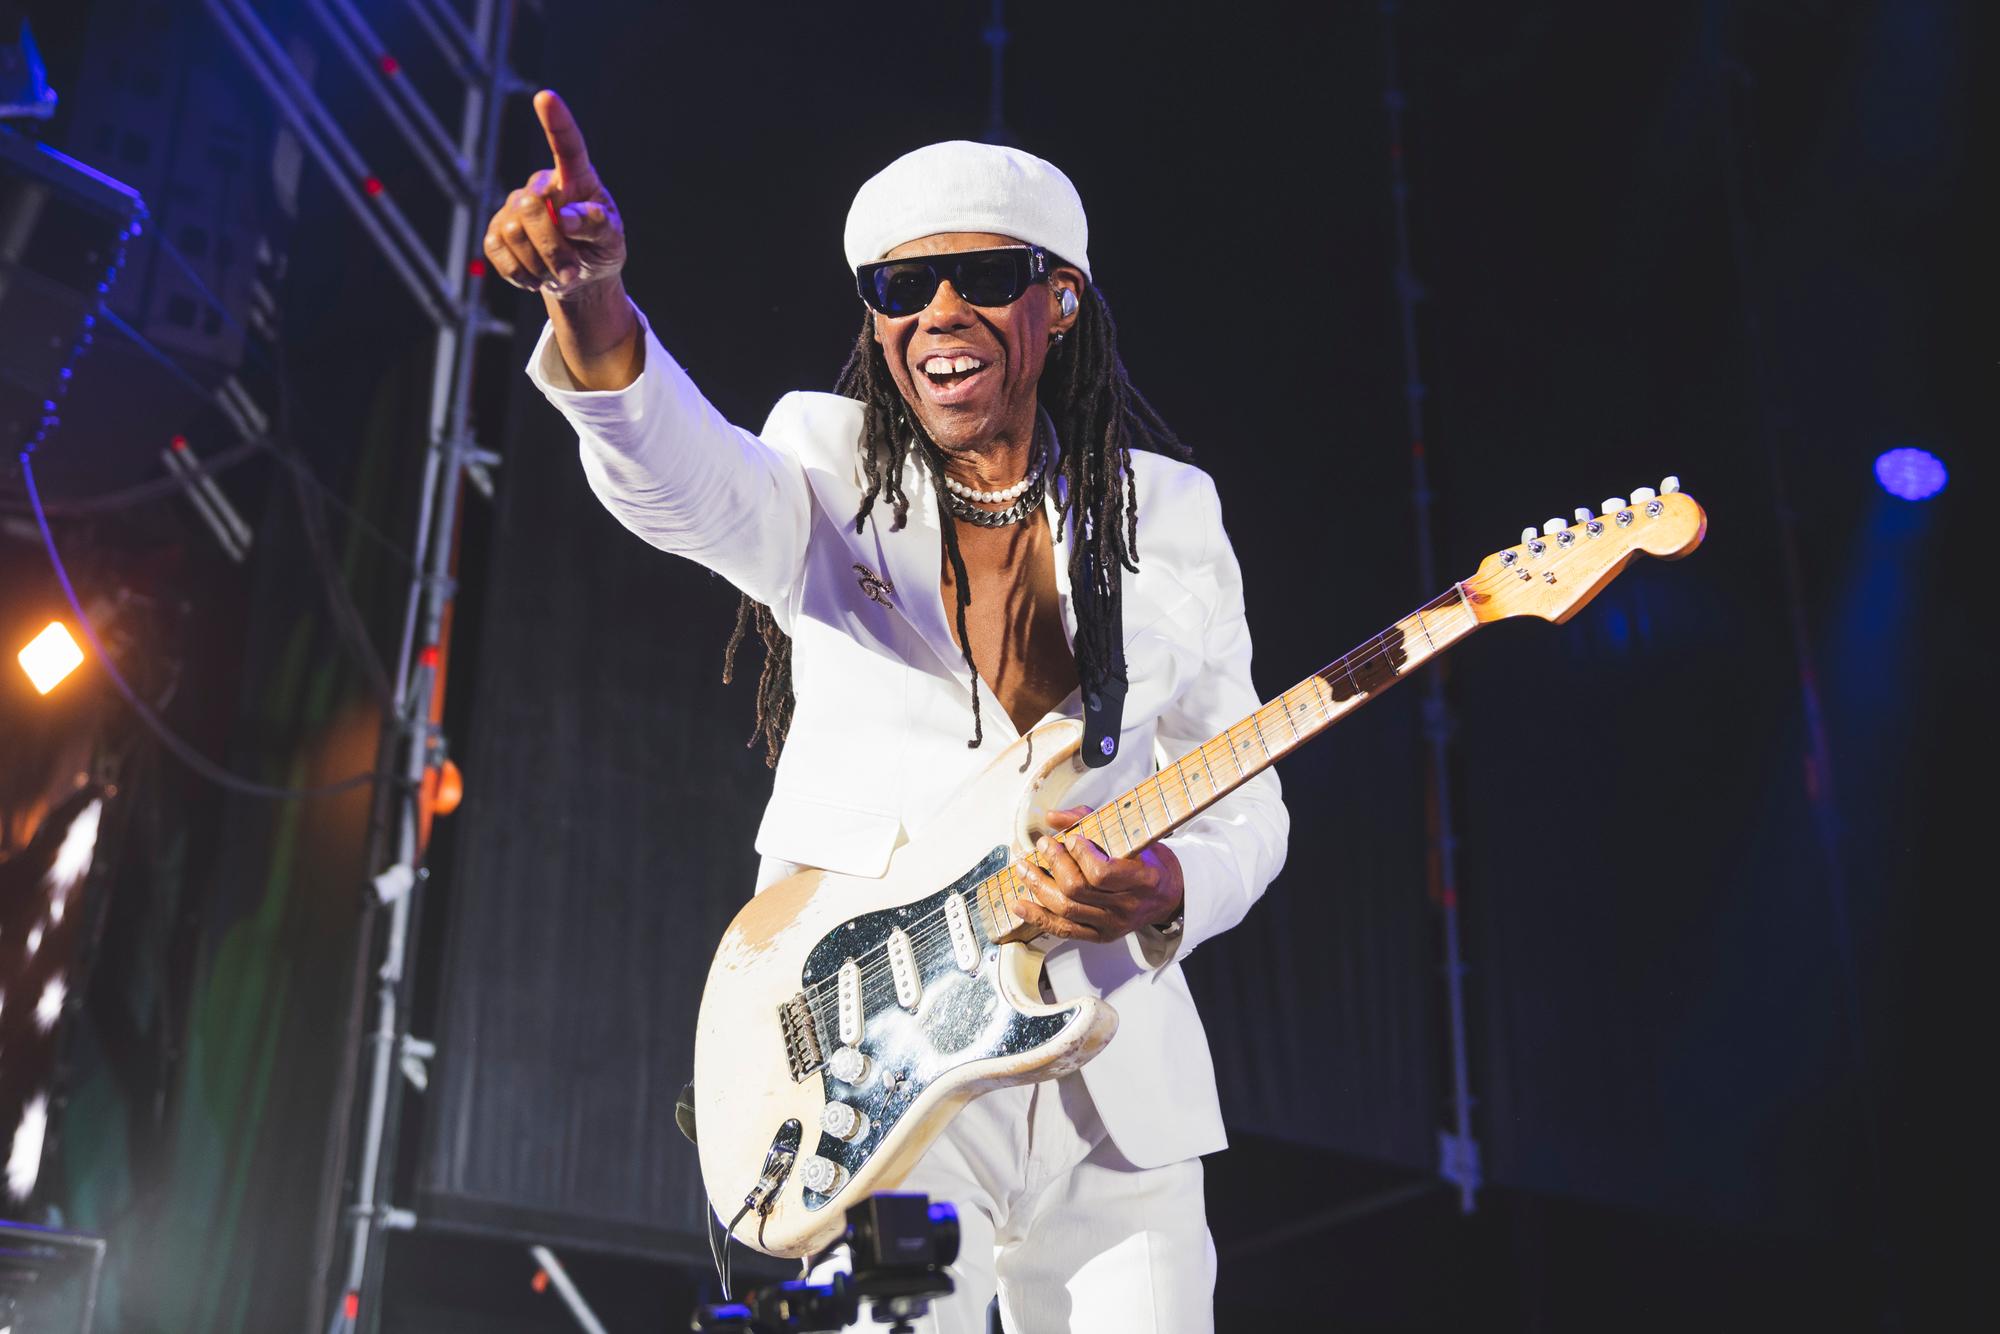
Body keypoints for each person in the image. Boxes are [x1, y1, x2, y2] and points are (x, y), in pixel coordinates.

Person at [489, 90, 1288, 1334]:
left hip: (1112, 1068)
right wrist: (589, 301)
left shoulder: (1167, 514)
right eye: (899, 289)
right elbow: (680, 480)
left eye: (981, 274)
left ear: (1060, 296)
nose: (939, 315)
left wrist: (1170, 882)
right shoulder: (824, 462)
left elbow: (1247, 796)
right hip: (884, 1059)